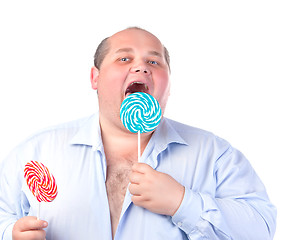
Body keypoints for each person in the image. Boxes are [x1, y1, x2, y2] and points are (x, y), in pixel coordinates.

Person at [0, 27, 276, 240]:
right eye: (124, 58)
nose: (141, 67)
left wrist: (182, 202)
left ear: (168, 83)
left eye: (154, 62)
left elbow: (261, 227)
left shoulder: (214, 154)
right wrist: (11, 232)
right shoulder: (37, 152)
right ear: (95, 78)